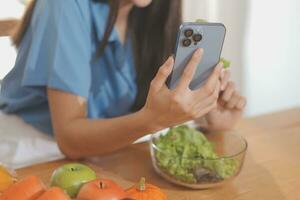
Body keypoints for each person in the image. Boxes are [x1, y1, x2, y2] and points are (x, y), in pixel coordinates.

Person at [0, 0, 246, 159]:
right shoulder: (64, 5)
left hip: (107, 146)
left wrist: (207, 115)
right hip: (32, 145)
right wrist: (152, 120)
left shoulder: (154, 13)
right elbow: (70, 138)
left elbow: (149, 107)